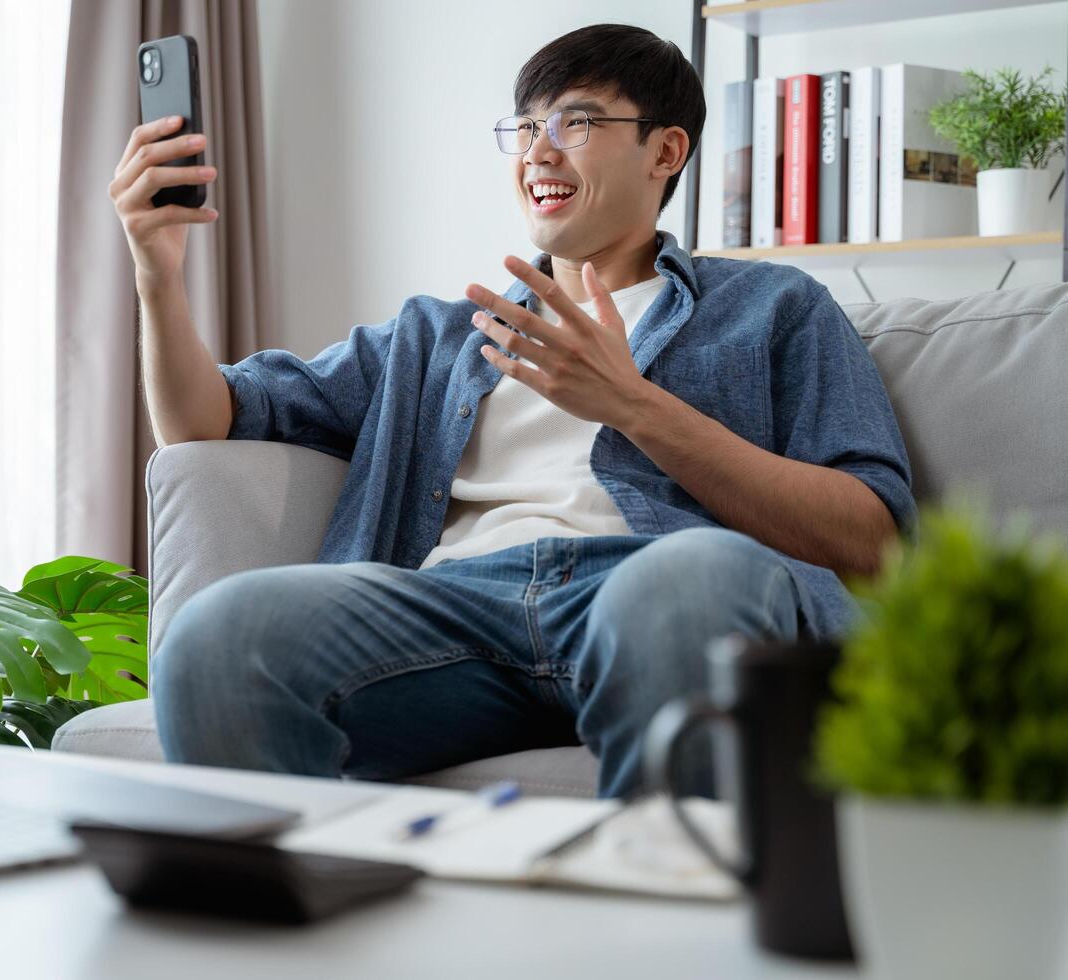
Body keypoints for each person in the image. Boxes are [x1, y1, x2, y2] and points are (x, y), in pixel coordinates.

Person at [107, 23, 914, 798]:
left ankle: (658, 910)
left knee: (689, 583)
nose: (537, 151)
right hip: (453, 616)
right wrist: (156, 271)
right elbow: (204, 423)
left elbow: (872, 540)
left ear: (666, 150)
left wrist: (635, 406)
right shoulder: (438, 334)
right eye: (524, 127)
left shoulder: (774, 307)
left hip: (655, 592)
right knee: (218, 640)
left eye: (575, 121)